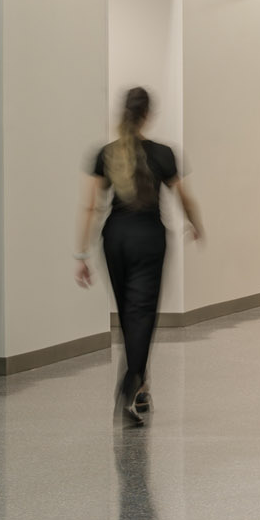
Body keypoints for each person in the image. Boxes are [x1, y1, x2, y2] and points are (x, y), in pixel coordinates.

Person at [76, 88, 203, 421]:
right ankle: (129, 384)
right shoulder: (163, 153)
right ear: (147, 114)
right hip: (149, 238)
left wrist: (81, 254)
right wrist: (195, 224)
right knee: (142, 314)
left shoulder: (105, 154)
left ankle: (142, 386)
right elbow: (184, 198)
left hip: (114, 238)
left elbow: (91, 205)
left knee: (128, 314)